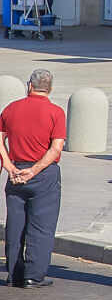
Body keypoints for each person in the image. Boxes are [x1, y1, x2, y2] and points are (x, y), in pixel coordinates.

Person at [0, 68, 67, 288]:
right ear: (50, 89)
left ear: (30, 85)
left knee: (15, 224)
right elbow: (56, 149)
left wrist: (9, 165)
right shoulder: (55, 113)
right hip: (43, 174)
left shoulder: (11, 109)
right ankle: (33, 274)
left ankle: (13, 272)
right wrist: (35, 170)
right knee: (41, 226)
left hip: (16, 173)